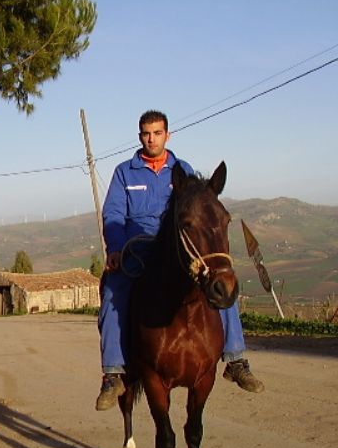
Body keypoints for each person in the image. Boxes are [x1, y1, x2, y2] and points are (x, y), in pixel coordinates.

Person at [96, 110, 265, 411]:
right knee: (113, 290)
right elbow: (113, 214)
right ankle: (113, 373)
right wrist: (116, 248)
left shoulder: (183, 170)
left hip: (176, 246)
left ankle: (236, 359)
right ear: (140, 137)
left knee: (220, 286)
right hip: (137, 247)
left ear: (167, 135)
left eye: (157, 133)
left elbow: (198, 210)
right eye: (146, 134)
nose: (151, 139)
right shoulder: (125, 172)